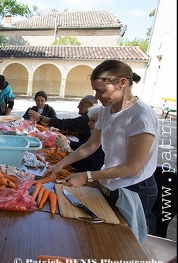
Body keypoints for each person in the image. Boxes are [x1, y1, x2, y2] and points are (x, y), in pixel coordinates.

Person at [43, 59, 159, 217]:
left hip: (135, 188)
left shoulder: (141, 115)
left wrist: (87, 176)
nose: (97, 96)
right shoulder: (106, 110)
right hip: (111, 182)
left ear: (122, 83)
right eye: (95, 91)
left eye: (101, 91)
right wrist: (60, 165)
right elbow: (91, 146)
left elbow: (133, 167)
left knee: (123, 236)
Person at [55, 104, 105, 172]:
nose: (88, 123)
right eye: (89, 120)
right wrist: (68, 142)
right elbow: (81, 146)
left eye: (93, 120)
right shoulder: (96, 138)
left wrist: (66, 148)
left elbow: (86, 166)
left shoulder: (105, 145)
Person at [28, 95, 98, 141]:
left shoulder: (87, 118)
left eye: (81, 104)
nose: (78, 106)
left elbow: (65, 123)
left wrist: (41, 117)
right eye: (37, 100)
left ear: (90, 105)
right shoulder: (32, 108)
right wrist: (70, 133)